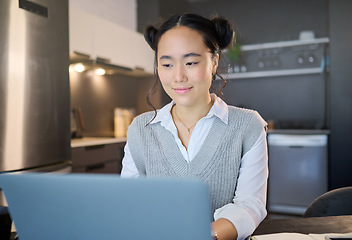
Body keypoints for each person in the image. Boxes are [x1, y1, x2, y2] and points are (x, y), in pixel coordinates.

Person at [121, 13, 268, 240]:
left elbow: (250, 205)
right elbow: (129, 203)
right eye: (167, 64)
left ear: (214, 62)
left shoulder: (248, 126)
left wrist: (203, 235)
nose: (178, 76)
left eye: (190, 63)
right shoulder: (140, 129)